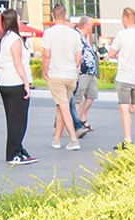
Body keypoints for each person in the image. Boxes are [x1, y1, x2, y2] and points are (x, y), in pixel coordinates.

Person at [0, 8, 36, 164]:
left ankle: (17, 149)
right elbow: (18, 62)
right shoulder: (15, 40)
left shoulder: (1, 38)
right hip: (15, 83)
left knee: (11, 119)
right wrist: (26, 82)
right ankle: (14, 154)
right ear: (14, 21)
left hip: (3, 82)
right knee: (19, 120)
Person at [41, 3, 81, 149]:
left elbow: (46, 55)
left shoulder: (49, 33)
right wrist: (73, 68)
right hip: (70, 75)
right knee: (60, 105)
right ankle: (57, 138)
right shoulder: (74, 34)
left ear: (53, 15)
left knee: (63, 106)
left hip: (56, 73)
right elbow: (79, 57)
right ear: (65, 16)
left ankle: (73, 139)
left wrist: (44, 72)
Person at [107, 6, 135, 148]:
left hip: (125, 76)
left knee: (124, 108)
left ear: (125, 18)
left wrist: (119, 55)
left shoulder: (122, 35)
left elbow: (111, 53)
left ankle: (128, 140)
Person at [71, 16, 98, 138]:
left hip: (90, 71)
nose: (91, 29)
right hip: (82, 71)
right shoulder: (75, 35)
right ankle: (74, 124)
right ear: (85, 25)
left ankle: (82, 118)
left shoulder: (85, 38)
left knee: (91, 96)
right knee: (78, 98)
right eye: (91, 26)